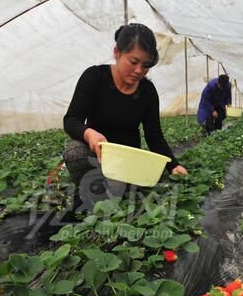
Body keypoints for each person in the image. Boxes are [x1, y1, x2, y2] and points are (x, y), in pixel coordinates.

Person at [62, 23, 188, 211]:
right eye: (134, 62)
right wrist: (89, 134)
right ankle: (94, 197)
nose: (139, 70)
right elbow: (71, 120)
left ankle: (105, 195)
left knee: (129, 187)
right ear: (117, 53)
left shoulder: (147, 92)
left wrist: (173, 166)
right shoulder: (95, 77)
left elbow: (154, 136)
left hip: (128, 162)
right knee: (74, 152)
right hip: (98, 156)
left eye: (146, 65)